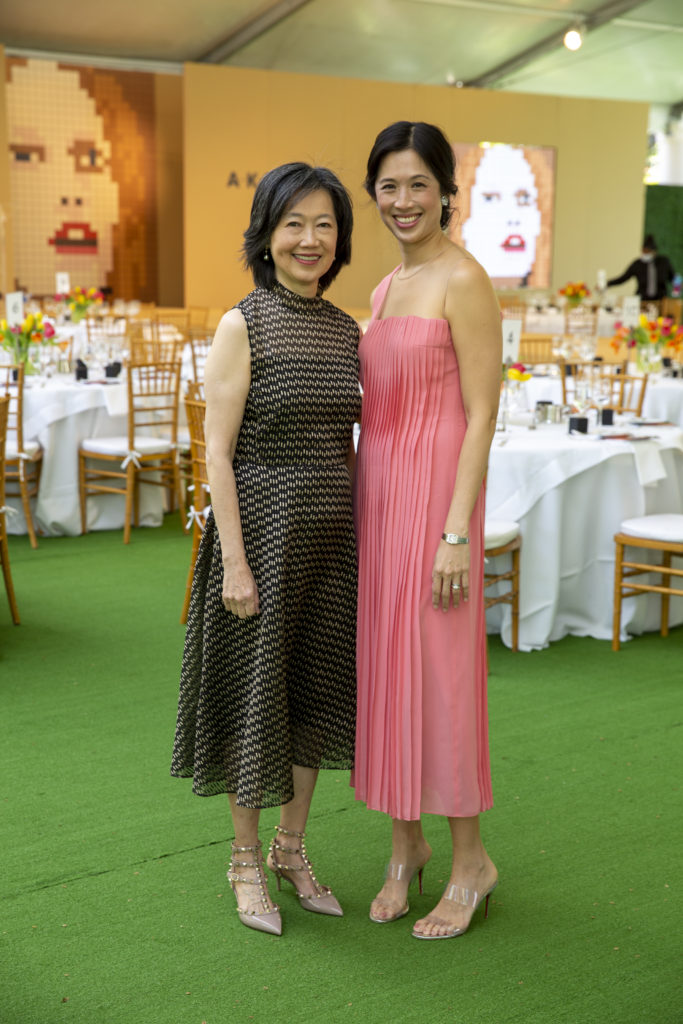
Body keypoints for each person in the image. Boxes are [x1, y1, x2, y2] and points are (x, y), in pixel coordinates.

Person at [171, 163, 361, 936]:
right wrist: (236, 564)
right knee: (256, 700)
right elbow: (217, 453)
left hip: (329, 541)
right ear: (266, 233)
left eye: (323, 225)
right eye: (294, 224)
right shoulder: (241, 323)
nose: (309, 239)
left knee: (312, 695)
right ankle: (244, 860)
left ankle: (291, 847)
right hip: (259, 536)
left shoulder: (348, 328)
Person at [353, 121, 501, 940]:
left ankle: (470, 859)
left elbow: (483, 412)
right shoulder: (380, 290)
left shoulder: (464, 279)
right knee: (386, 669)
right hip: (379, 497)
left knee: (442, 675)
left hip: (439, 501)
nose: (402, 201)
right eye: (387, 186)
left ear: (446, 190)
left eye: (417, 184)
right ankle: (403, 846)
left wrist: (454, 531)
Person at [607, 235, 675, 302]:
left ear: (654, 252)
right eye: (643, 251)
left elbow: (676, 278)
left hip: (660, 301)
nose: (645, 254)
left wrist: (676, 293)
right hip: (642, 300)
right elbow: (622, 278)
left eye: (647, 252)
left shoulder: (664, 262)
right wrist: (607, 284)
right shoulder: (637, 264)